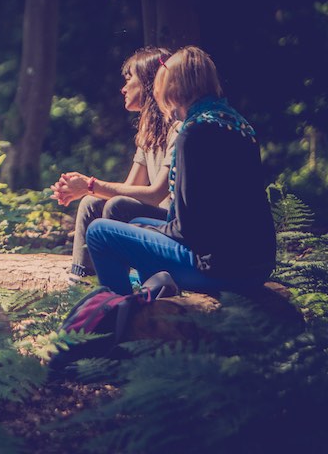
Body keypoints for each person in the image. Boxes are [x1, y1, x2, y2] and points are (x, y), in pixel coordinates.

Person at [85, 46, 276, 295]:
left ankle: (122, 311)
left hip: (217, 270)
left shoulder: (194, 133)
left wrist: (147, 232)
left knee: (100, 232)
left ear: (173, 87)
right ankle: (154, 296)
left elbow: (188, 230)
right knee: (136, 222)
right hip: (256, 266)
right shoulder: (238, 125)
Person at [51, 47, 178, 282]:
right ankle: (82, 281)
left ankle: (115, 284)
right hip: (154, 214)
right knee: (92, 203)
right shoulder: (148, 130)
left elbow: (154, 194)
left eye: (130, 79)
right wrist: (86, 190)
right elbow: (132, 187)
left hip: (172, 223)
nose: (123, 87)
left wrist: (90, 184)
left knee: (117, 205)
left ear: (150, 83)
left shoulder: (177, 128)